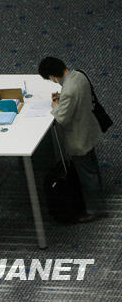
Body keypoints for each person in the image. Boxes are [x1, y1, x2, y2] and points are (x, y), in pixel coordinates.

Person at [39, 57, 106, 222]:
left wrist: (56, 105)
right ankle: (98, 199)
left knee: (86, 174)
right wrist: (63, 99)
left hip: (78, 137)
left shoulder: (68, 91)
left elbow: (62, 118)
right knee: (92, 167)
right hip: (89, 129)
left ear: (53, 76)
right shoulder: (79, 75)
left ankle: (94, 209)